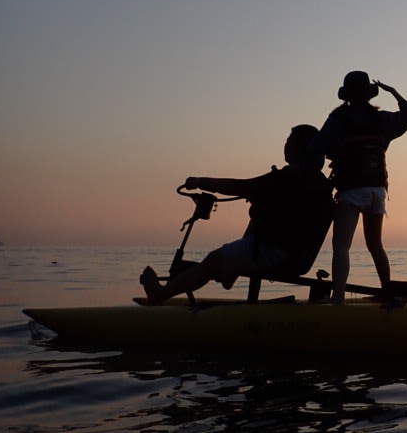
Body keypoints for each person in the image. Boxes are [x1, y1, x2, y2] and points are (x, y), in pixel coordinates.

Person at [140, 124, 333, 305]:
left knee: (212, 261)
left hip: (274, 253)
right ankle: (228, 271)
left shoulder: (286, 179)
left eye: (290, 140)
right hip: (293, 257)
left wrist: (200, 181)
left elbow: (240, 186)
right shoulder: (317, 183)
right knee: (229, 252)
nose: (286, 144)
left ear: (299, 148)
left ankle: (160, 295)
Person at [312, 71, 407, 303]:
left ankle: (338, 299)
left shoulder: (338, 119)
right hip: (378, 191)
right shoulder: (382, 120)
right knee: (375, 245)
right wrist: (394, 92)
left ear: (346, 95)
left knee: (341, 246)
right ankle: (387, 292)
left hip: (351, 190)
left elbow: (318, 145)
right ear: (369, 94)